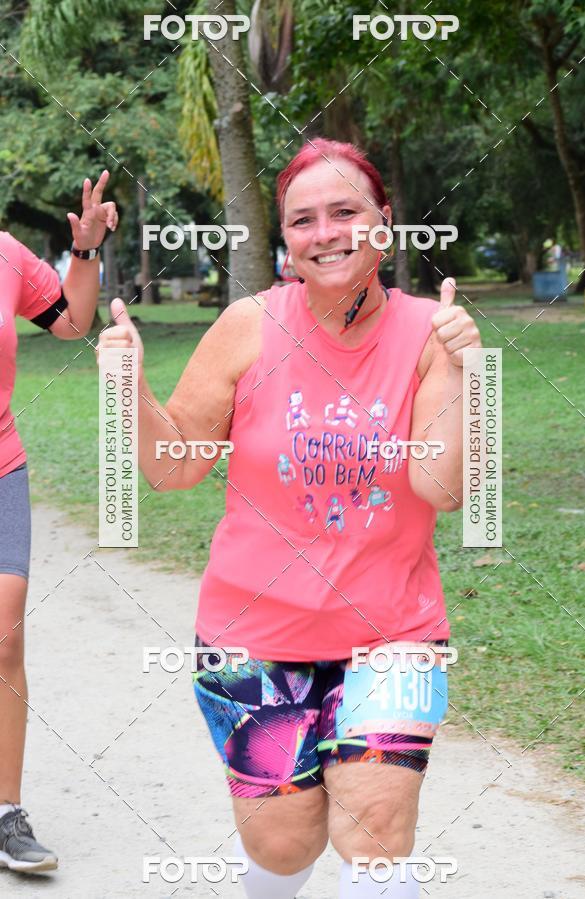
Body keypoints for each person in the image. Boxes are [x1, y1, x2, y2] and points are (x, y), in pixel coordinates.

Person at [98, 139, 481, 897]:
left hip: (392, 633)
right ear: (286, 237)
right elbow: (174, 467)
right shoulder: (248, 326)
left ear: (386, 221)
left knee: (376, 827)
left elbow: (442, 486)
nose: (325, 231)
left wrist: (470, 372)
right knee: (283, 845)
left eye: (346, 211)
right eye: (303, 219)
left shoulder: (429, 335)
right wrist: (128, 388)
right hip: (252, 635)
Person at [0, 171, 118, 873]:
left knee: (5, 631)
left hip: (0, 465)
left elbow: (73, 322)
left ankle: (6, 812)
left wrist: (86, 251)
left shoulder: (7, 255)